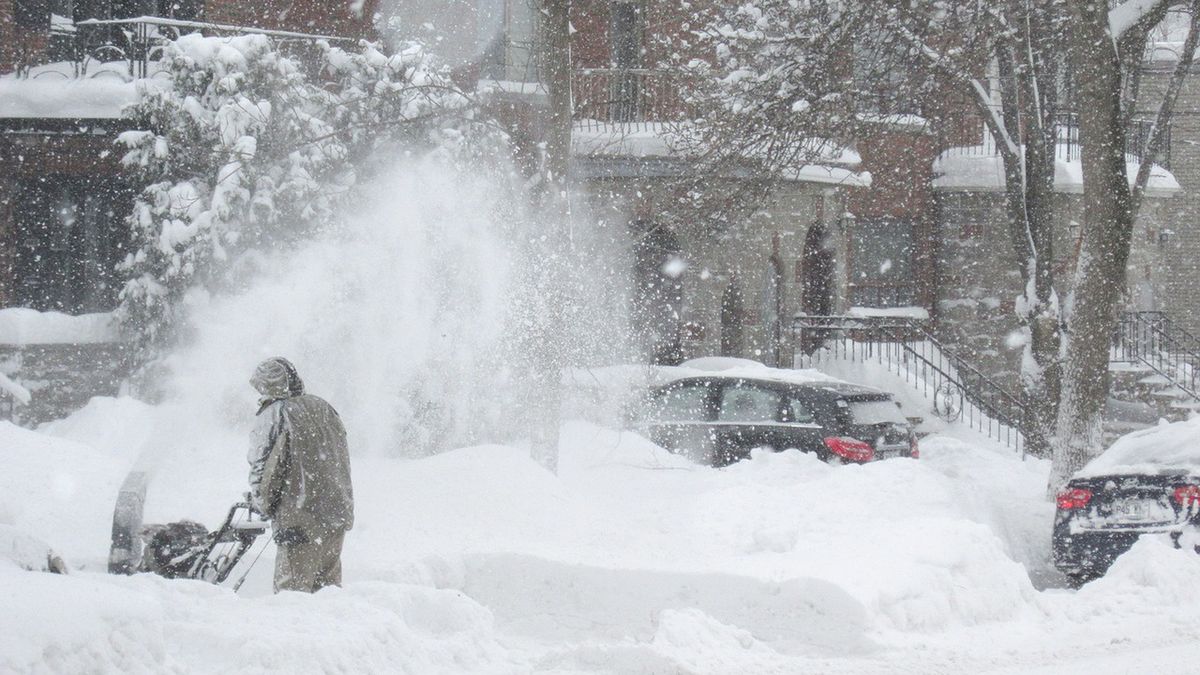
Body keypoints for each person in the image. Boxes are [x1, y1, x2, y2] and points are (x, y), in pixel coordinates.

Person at [247, 357, 354, 593]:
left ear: (268, 384)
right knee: (328, 593)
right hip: (335, 514)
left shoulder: (275, 414)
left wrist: (262, 503)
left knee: (292, 596)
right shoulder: (324, 407)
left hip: (298, 519)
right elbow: (340, 459)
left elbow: (264, 469)